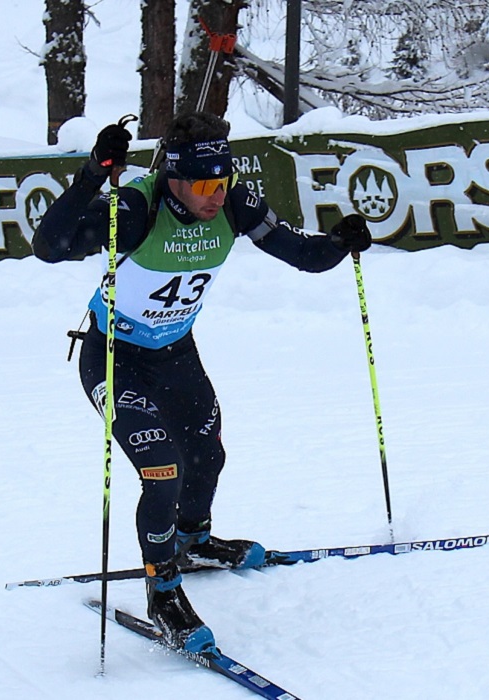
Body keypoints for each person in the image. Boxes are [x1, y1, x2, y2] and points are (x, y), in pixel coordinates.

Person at [32, 112, 371, 655]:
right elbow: (49, 246)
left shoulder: (235, 202)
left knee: (207, 456)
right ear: (174, 179)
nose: (217, 195)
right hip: (114, 357)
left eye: (224, 179)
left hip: (175, 355)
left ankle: (193, 541)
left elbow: (304, 255)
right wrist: (94, 173)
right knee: (162, 470)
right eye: (205, 184)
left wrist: (337, 242)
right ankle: (163, 591)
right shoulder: (138, 209)